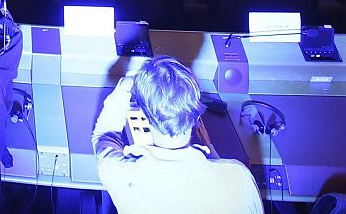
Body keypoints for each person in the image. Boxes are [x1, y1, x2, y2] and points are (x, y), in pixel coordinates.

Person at [91, 56, 263, 214]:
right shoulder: (240, 179)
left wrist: (126, 85)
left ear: (144, 115)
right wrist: (211, 150)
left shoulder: (120, 176)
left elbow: (103, 135)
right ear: (196, 116)